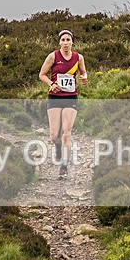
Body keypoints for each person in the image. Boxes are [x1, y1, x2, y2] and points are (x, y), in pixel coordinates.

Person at [39, 29, 87, 179]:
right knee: (54, 136)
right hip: (55, 97)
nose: (66, 43)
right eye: (63, 40)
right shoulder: (53, 56)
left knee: (66, 132)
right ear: (59, 42)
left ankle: (64, 167)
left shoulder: (78, 57)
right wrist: (51, 84)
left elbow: (83, 72)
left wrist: (84, 78)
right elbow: (42, 74)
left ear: (72, 42)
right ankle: (58, 146)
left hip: (71, 97)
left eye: (68, 40)